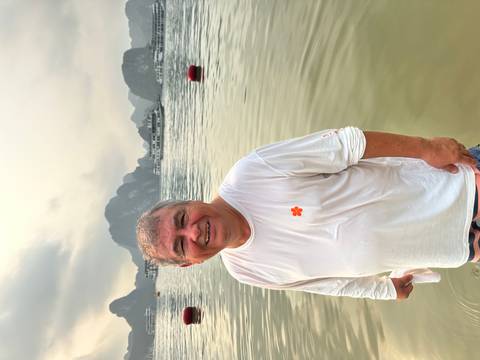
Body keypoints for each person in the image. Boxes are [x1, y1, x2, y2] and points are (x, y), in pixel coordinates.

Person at [136, 127, 480, 300]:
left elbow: (348, 144)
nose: (193, 233)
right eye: (181, 245)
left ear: (189, 202)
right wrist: (384, 290)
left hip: (459, 188)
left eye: (182, 219)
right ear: (189, 263)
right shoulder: (245, 271)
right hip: (456, 248)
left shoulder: (252, 172)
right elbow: (325, 284)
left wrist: (427, 148)